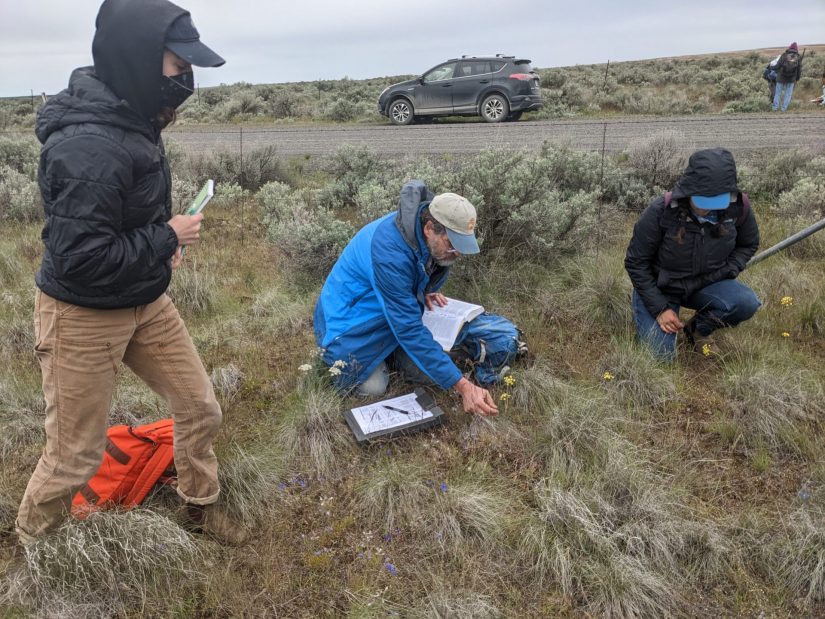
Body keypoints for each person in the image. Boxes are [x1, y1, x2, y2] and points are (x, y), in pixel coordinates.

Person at [16, 0, 246, 546]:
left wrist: (155, 248)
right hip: (81, 315)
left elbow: (120, 223)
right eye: (177, 64)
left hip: (144, 300)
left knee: (198, 407)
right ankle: (35, 546)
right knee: (74, 455)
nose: (185, 78)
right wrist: (167, 236)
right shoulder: (88, 144)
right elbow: (82, 258)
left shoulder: (133, 113)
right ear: (138, 59)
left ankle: (200, 506)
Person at [313, 181, 512, 416]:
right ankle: (385, 358)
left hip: (387, 316)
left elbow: (421, 268)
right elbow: (408, 328)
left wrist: (422, 290)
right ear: (429, 228)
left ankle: (395, 354)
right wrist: (463, 387)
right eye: (452, 244)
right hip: (349, 326)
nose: (457, 253)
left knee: (432, 368)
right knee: (375, 387)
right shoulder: (389, 254)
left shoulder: (426, 239)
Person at [624, 148, 761, 362]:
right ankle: (653, 319)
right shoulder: (661, 211)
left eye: (716, 200)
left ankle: (697, 329)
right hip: (662, 288)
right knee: (661, 359)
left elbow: (748, 244)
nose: (707, 209)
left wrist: (727, 270)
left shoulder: (738, 208)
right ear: (688, 190)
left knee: (746, 302)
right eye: (703, 200)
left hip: (706, 284)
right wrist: (660, 309)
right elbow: (636, 262)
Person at [772, 42, 803, 112]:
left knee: (778, 93)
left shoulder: (784, 55)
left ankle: (774, 108)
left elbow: (777, 66)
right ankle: (783, 109)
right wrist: (797, 78)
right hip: (792, 79)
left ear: (790, 47)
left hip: (781, 77)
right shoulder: (798, 57)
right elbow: (799, 69)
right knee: (788, 94)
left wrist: (771, 67)